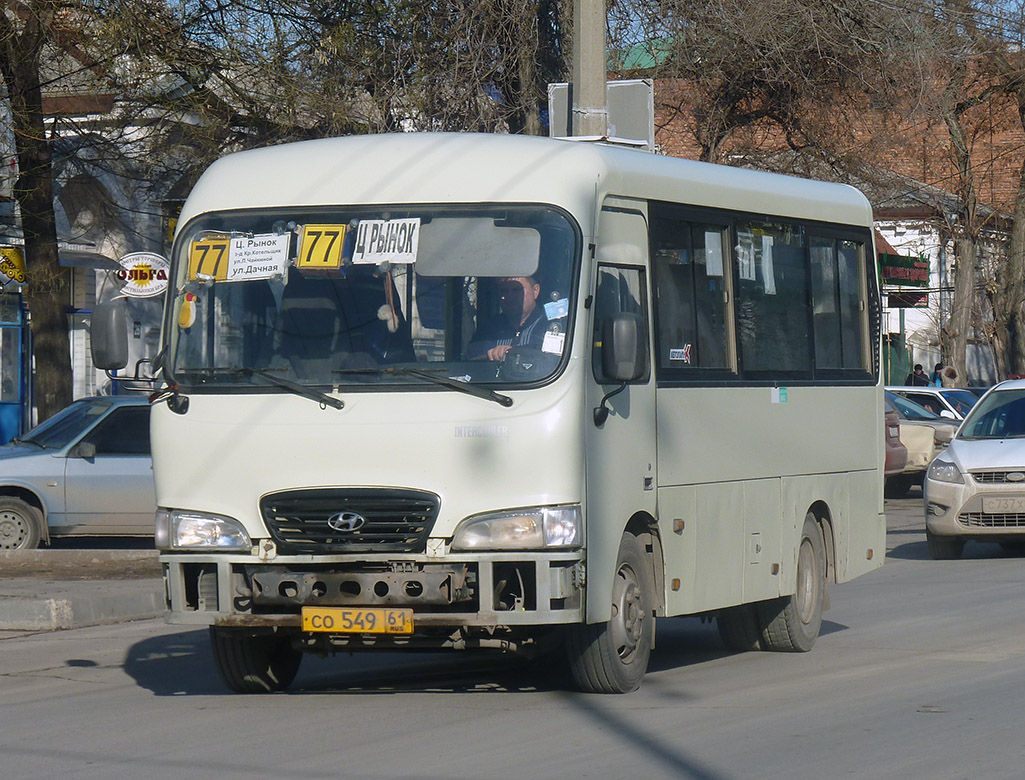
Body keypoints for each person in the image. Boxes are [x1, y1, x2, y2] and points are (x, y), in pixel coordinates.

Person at [467, 276, 560, 361]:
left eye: (516, 289)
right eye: (504, 291)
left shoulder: (552, 325)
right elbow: (471, 358)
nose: (510, 297)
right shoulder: (489, 329)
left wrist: (514, 352)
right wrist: (490, 355)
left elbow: (554, 358)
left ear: (535, 291)